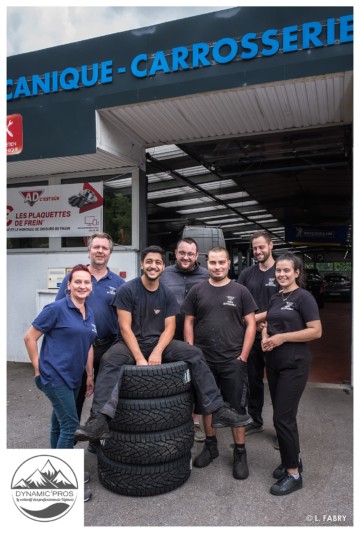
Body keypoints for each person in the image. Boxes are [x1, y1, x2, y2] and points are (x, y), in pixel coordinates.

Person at [74, 246, 252, 443]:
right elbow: (125, 328)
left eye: (158, 262)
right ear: (142, 264)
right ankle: (99, 419)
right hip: (129, 343)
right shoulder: (127, 290)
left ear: (163, 266)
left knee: (194, 353)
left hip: (159, 342)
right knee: (109, 359)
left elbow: (169, 328)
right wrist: (140, 358)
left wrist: (158, 351)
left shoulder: (167, 294)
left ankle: (217, 409)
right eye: (149, 261)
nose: (153, 266)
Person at [24, 264, 97, 502]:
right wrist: (37, 368)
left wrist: (90, 375)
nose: (82, 286)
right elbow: (30, 337)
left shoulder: (88, 312)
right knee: (70, 426)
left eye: (87, 282)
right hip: (54, 377)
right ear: (69, 285)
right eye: (78, 282)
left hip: (75, 378)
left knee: (58, 424)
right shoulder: (55, 308)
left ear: (91, 286)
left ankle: (50, 470)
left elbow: (88, 345)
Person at [182, 246, 257, 479]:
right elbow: (188, 323)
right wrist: (193, 353)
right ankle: (211, 446)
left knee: (236, 409)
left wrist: (243, 356)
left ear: (228, 264)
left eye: (221, 263)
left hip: (233, 360)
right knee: (206, 406)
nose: (217, 267)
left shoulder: (241, 291)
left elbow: (251, 324)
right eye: (213, 263)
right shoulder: (196, 290)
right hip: (204, 361)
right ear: (207, 263)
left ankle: (240, 454)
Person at [261, 253, 322, 496]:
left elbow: (316, 331)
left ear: (297, 272)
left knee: (281, 419)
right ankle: (293, 458)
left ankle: (294, 474)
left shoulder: (303, 297)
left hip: (294, 364)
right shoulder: (276, 297)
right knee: (285, 416)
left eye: (287, 270)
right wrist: (266, 337)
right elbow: (270, 324)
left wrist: (282, 338)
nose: (282, 274)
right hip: (274, 364)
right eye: (278, 271)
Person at [56, 232, 125, 424]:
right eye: (96, 247)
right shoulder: (73, 279)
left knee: (105, 400)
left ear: (110, 253)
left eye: (105, 248)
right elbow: (59, 312)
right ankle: (68, 441)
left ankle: (97, 440)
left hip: (107, 348)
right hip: (77, 348)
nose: (100, 251)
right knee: (73, 398)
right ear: (89, 251)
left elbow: (125, 320)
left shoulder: (119, 284)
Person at [161, 237, 210, 442]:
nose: (186, 257)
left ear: (196, 255)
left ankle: (196, 421)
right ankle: (171, 419)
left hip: (199, 336)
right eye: (182, 253)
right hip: (167, 336)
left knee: (196, 379)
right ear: (176, 253)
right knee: (170, 379)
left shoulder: (206, 275)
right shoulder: (164, 274)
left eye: (190, 254)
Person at [238, 230, 279, 436]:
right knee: (253, 380)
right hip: (251, 336)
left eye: (261, 246)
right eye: (255, 248)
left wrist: (262, 320)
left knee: (278, 383)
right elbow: (239, 303)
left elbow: (288, 301)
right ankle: (255, 419)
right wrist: (253, 323)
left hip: (277, 336)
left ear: (271, 246)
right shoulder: (247, 274)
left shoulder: (281, 271)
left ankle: (282, 429)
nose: (258, 251)